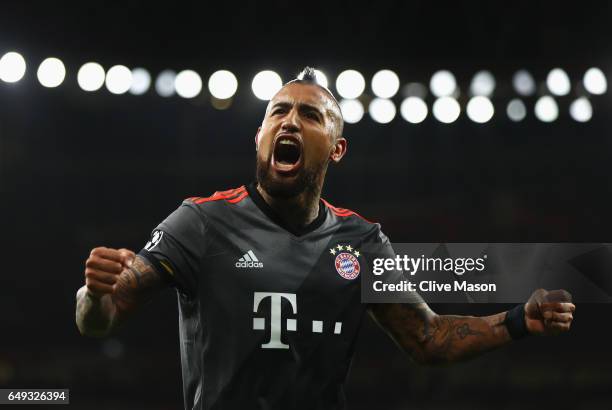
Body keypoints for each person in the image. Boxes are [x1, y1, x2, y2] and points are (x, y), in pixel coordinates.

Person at [75, 67, 575, 410]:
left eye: (310, 115)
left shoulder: (362, 241)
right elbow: (100, 321)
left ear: (336, 149)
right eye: (278, 112)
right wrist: (94, 293)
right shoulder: (200, 222)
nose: (290, 120)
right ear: (260, 137)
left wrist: (517, 321)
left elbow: (427, 339)